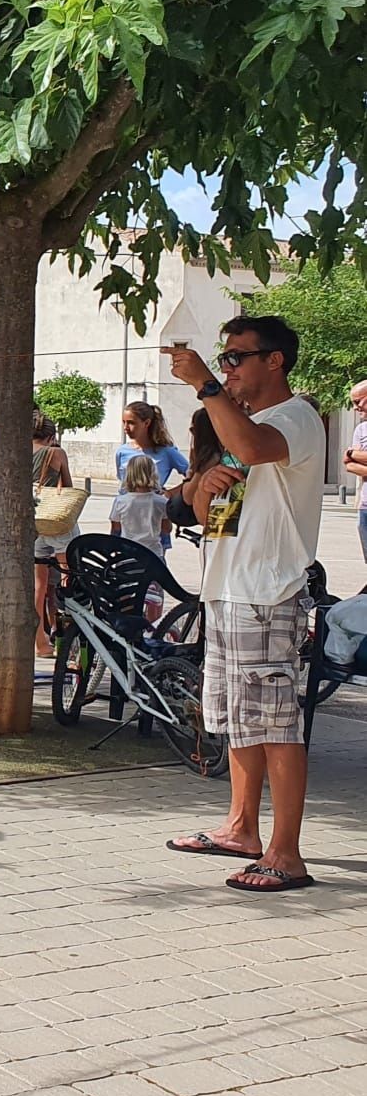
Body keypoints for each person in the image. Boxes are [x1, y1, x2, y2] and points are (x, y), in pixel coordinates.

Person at [164, 315, 324, 893]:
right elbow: (216, 520)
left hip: (266, 595)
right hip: (230, 591)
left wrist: (205, 384)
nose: (228, 366)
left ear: (274, 360)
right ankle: (241, 829)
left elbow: (256, 450)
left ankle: (286, 854)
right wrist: (203, 491)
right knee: (240, 720)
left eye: (237, 357)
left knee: (276, 724)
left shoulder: (294, 418)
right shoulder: (247, 423)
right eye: (224, 357)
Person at [31, 412, 79, 658]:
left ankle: (40, 643)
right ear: (51, 436)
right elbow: (68, 488)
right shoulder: (55, 453)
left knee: (38, 586)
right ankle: (67, 639)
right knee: (68, 576)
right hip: (55, 520)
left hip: (33, 521)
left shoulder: (19, 451)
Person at [117, 400, 188, 551]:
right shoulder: (122, 451)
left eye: (131, 423)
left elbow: (193, 475)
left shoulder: (166, 451)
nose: (125, 428)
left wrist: (171, 493)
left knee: (154, 566)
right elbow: (121, 482)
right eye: (123, 422)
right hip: (128, 517)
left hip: (154, 516)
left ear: (146, 423)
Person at [111, 455, 168, 621]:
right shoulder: (161, 502)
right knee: (155, 596)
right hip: (153, 555)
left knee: (126, 594)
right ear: (153, 474)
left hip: (127, 556)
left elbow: (115, 529)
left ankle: (129, 625)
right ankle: (154, 628)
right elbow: (166, 529)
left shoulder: (121, 501)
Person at [345, 380, 367, 561]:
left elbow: (351, 458)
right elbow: (348, 464)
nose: (356, 408)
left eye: (358, 402)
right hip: (365, 506)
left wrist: (354, 454)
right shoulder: (360, 429)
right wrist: (352, 454)